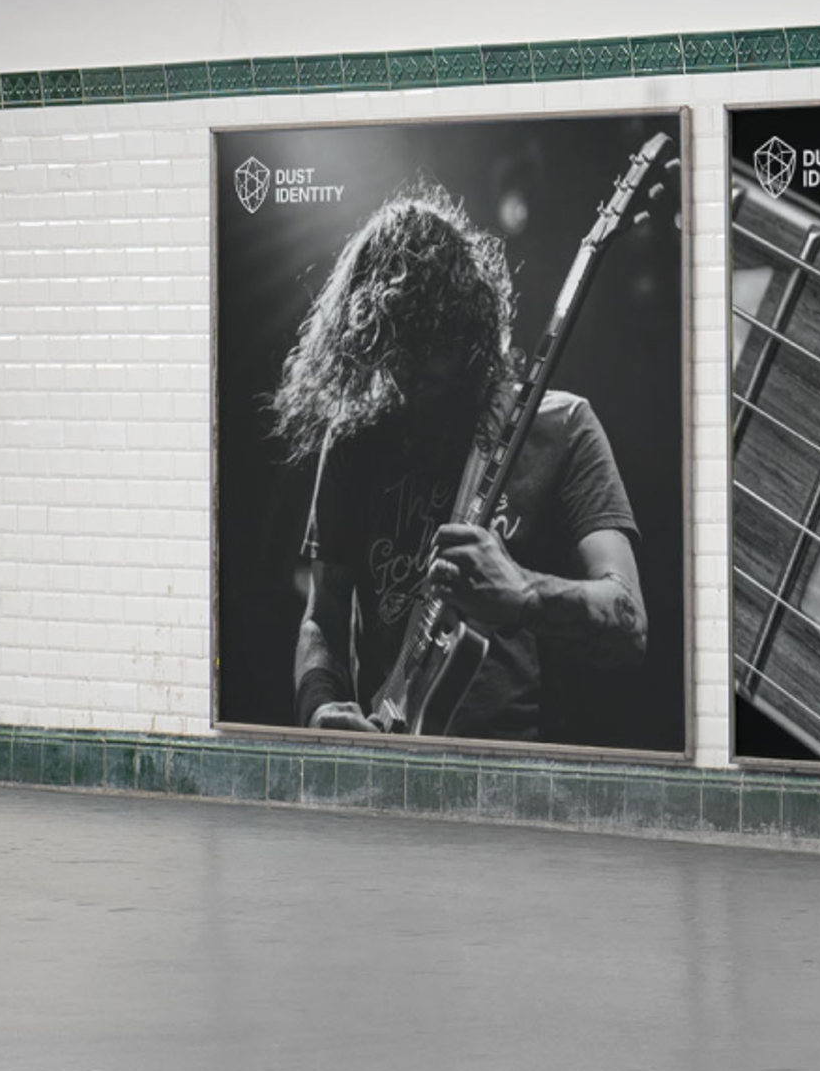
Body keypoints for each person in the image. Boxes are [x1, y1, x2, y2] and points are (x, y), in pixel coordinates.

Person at [277, 188, 647, 742]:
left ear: (466, 327)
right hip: (390, 760)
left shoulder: (562, 426)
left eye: (426, 355)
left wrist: (524, 593)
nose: (406, 381)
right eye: (391, 355)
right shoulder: (356, 437)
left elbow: (629, 621)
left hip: (524, 780)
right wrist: (320, 705)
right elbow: (323, 615)